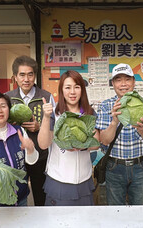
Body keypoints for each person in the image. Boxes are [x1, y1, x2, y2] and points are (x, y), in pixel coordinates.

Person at [95, 63, 143, 205]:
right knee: (116, 211)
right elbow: (104, 141)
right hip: (114, 167)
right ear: (113, 84)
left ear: (134, 82)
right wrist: (114, 122)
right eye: (118, 80)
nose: (123, 84)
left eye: (127, 79)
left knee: (140, 209)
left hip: (140, 167)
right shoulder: (106, 106)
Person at [38, 70, 100, 206]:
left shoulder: (89, 113)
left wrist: (82, 146)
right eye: (67, 87)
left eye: (76, 87)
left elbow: (96, 144)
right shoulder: (55, 114)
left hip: (84, 181)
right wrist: (46, 117)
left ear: (82, 90)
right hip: (59, 182)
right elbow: (43, 144)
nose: (72, 92)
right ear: (61, 90)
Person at [5, 55, 56, 206]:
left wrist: (40, 127)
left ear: (35, 76)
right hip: (15, 155)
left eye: (30, 74)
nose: (26, 79)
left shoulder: (46, 97)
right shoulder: (7, 98)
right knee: (16, 195)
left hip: (40, 155)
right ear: (15, 77)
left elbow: (55, 126)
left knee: (41, 195)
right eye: (22, 75)